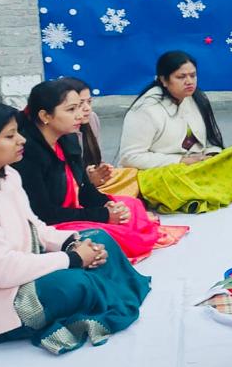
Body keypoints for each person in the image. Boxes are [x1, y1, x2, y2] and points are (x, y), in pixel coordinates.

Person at [0, 100, 149, 353]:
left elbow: (35, 227)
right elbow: (1, 270)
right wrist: (73, 258)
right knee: (75, 284)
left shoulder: (7, 175)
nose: (21, 140)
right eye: (10, 136)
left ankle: (113, 295)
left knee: (99, 237)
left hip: (16, 272)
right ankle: (107, 294)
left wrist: (72, 243)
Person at [13, 79, 182, 263]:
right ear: (45, 116)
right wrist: (104, 215)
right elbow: (44, 213)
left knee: (131, 205)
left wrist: (108, 205)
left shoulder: (67, 140)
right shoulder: (27, 154)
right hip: (51, 223)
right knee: (109, 236)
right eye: (71, 109)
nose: (80, 115)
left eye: (81, 106)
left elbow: (84, 188)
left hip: (74, 210)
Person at [118, 51, 232, 213]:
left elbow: (210, 142)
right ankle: (201, 192)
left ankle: (201, 192)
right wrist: (181, 161)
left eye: (193, 75)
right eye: (181, 77)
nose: (189, 81)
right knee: (173, 179)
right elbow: (130, 157)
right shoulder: (145, 109)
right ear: (163, 80)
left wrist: (212, 156)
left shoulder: (196, 98)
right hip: (162, 172)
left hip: (196, 166)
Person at [62, 77, 140, 198]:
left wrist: (103, 170)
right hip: (73, 189)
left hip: (95, 183)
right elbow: (60, 180)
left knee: (133, 175)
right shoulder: (60, 129)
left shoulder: (92, 118)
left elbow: (97, 161)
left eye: (89, 102)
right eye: (80, 104)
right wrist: (87, 178)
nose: (87, 108)